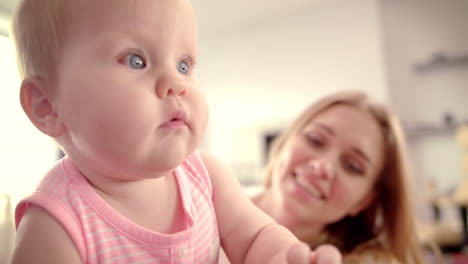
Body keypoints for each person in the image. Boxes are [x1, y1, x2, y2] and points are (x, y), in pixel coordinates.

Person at [9, 0, 341, 263]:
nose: (177, 84)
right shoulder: (55, 222)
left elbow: (255, 237)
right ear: (46, 105)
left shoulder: (206, 175)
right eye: (136, 60)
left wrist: (286, 257)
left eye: (184, 65)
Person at [252, 91, 424, 263]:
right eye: (315, 139)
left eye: (352, 166)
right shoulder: (225, 203)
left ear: (365, 200)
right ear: (286, 141)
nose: (323, 167)